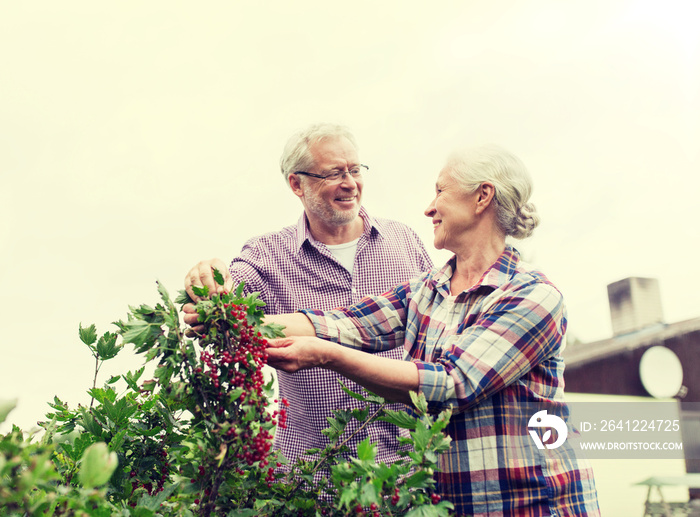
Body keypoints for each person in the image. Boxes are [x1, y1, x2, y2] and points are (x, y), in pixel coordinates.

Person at [265, 144, 600, 516]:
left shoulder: (533, 297)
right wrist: (233, 320)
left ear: (482, 197)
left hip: (533, 505)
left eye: (440, 191)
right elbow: (345, 323)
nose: (429, 207)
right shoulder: (427, 291)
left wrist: (327, 355)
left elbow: (451, 384)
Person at [183, 123, 433, 470]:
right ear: (296, 184)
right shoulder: (267, 254)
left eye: (355, 170)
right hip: (312, 480)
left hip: (407, 471)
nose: (350, 183)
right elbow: (229, 295)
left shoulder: (404, 241)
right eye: (333, 173)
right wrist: (209, 283)